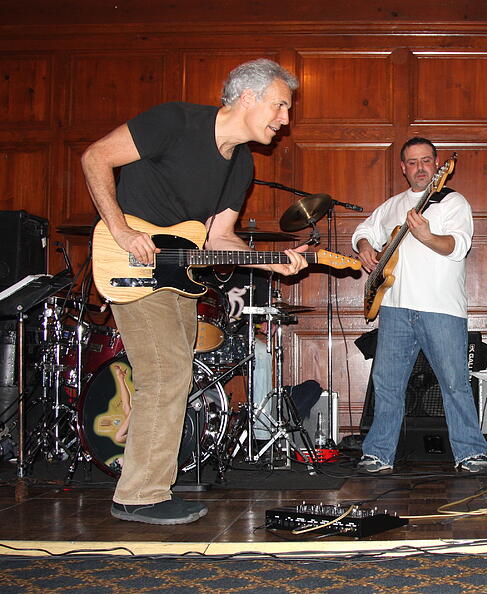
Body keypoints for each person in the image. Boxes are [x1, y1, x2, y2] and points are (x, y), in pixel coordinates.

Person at [81, 58, 309, 525]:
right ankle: (140, 495)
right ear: (247, 97)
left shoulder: (240, 164)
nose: (285, 119)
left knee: (172, 376)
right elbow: (95, 157)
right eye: (280, 105)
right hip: (132, 263)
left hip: (178, 279)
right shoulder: (174, 121)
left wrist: (272, 261)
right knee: (165, 375)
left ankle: (146, 488)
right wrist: (122, 231)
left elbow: (218, 238)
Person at [352, 137, 487, 474]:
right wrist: (366, 246)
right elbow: (363, 230)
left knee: (454, 382)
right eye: (412, 162)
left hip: (441, 308)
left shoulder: (453, 202)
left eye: (426, 160)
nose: (420, 167)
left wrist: (428, 236)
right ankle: (379, 454)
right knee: (387, 383)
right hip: (395, 308)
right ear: (403, 168)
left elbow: (458, 246)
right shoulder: (393, 204)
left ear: (438, 164)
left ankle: (470, 452)